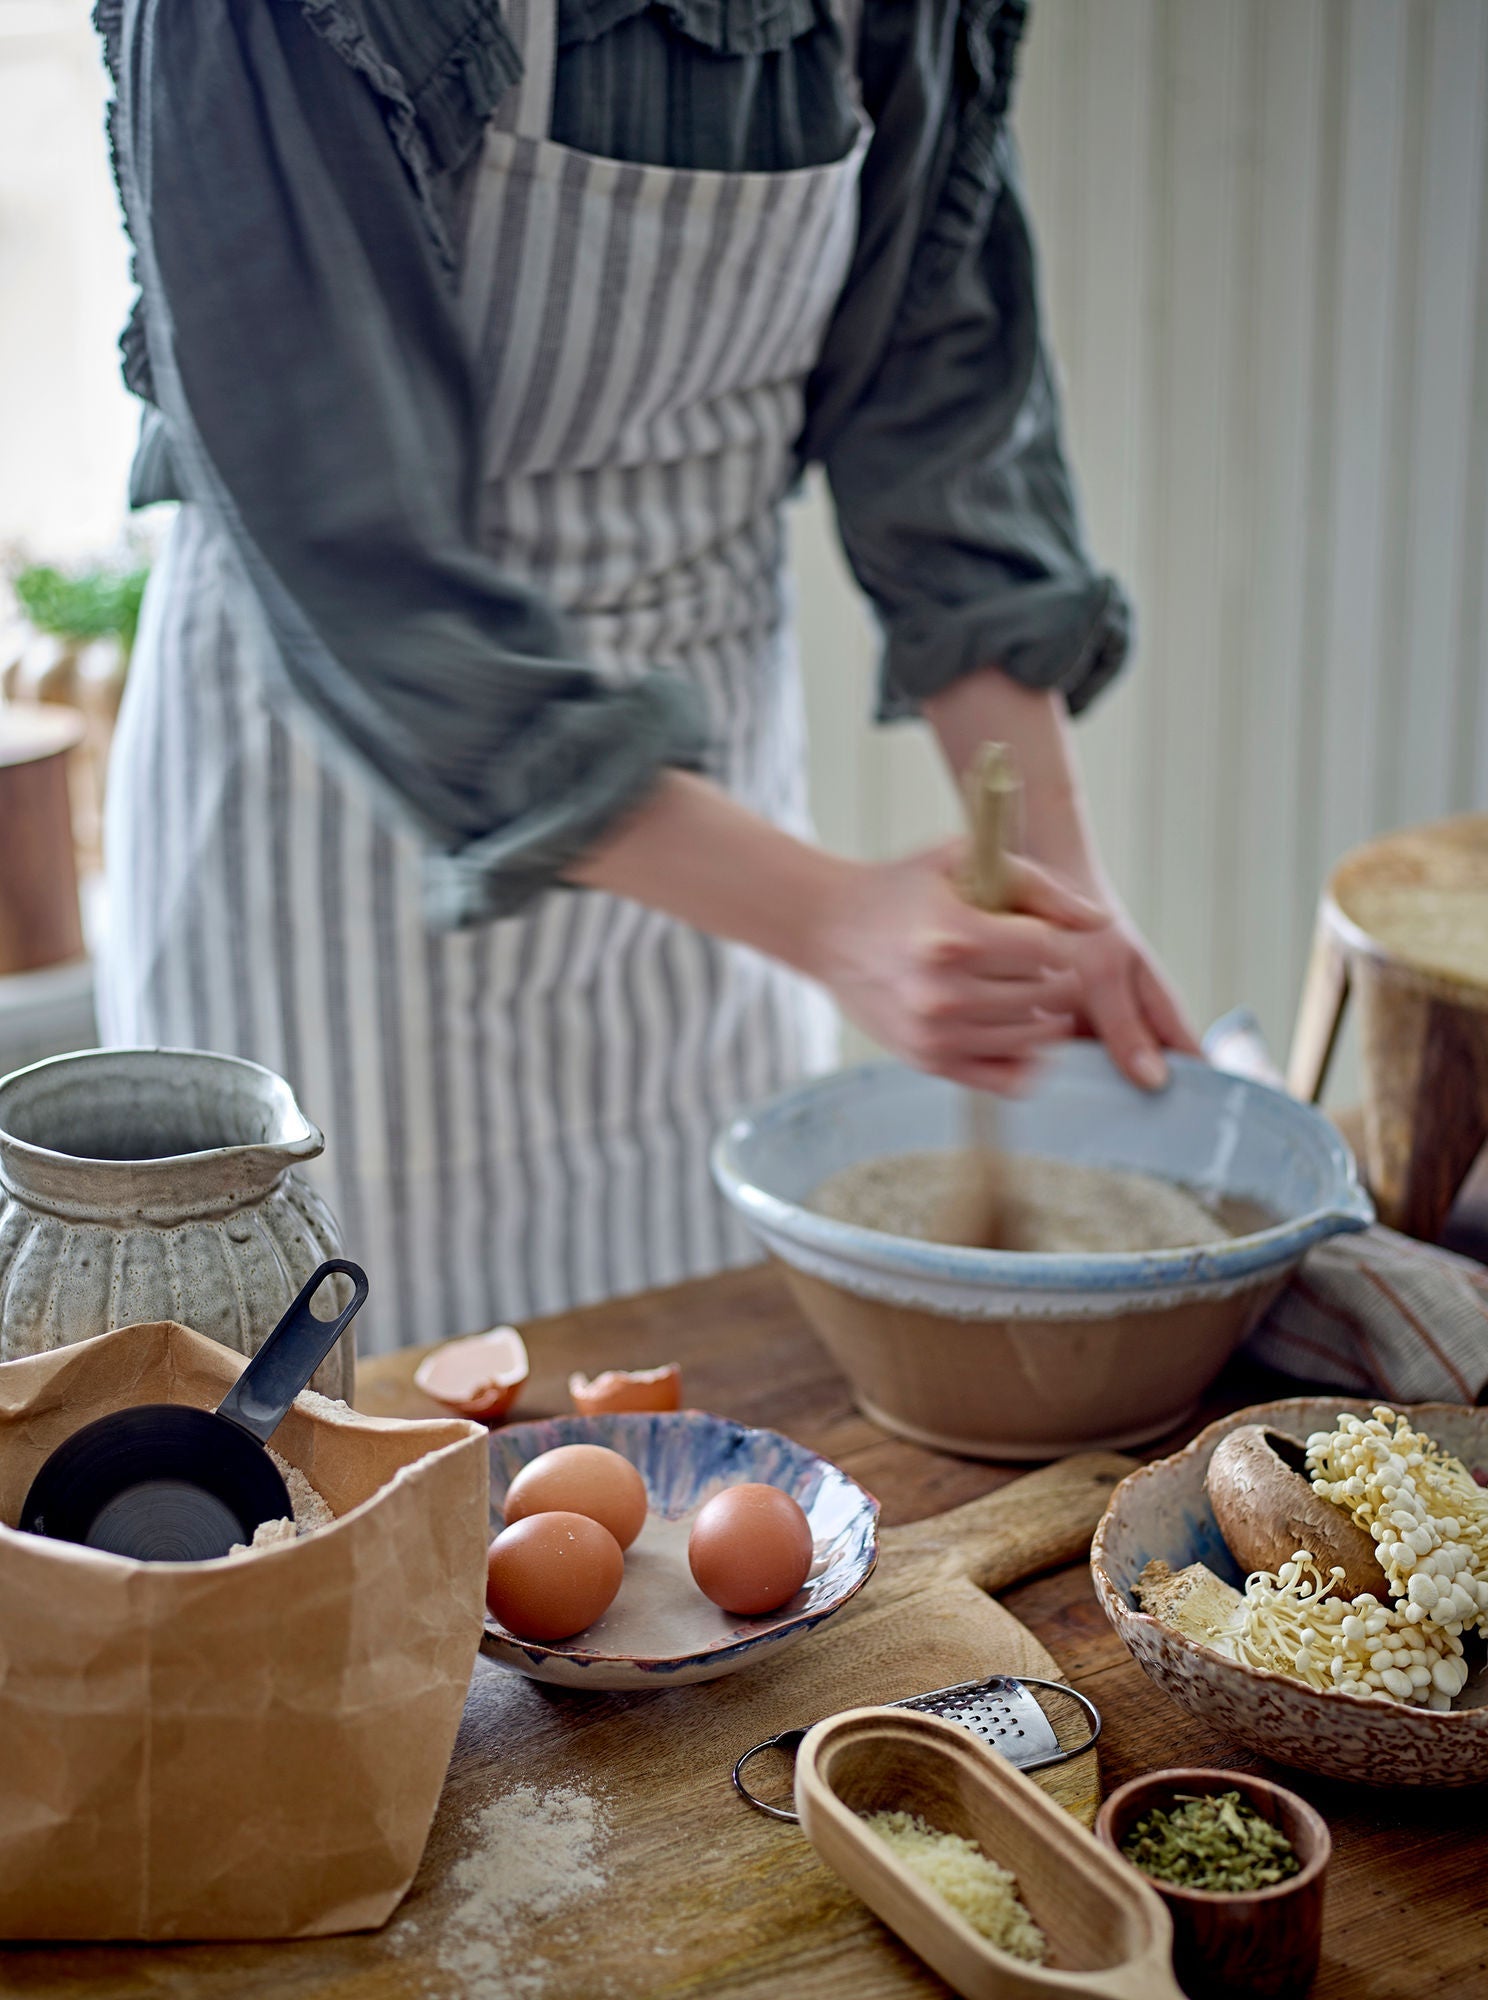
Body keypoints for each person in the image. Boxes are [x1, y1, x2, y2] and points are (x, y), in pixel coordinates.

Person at [95, 0, 1195, 1350]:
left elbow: (945, 392)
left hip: (712, 854)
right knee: (344, 1448)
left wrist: (1057, 877)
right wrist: (834, 917)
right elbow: (346, 539)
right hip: (338, 800)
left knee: (704, 1417)